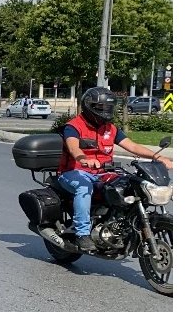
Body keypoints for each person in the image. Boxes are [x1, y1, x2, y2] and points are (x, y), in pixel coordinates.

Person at [58, 87, 174, 252]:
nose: (106, 110)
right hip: (74, 172)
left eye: (108, 107)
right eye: (101, 107)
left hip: (104, 172)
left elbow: (132, 146)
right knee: (84, 187)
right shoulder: (74, 126)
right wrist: (84, 159)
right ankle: (82, 233)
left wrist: (158, 157)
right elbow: (73, 147)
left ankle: (123, 223)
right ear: (90, 106)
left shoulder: (110, 128)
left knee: (131, 185)